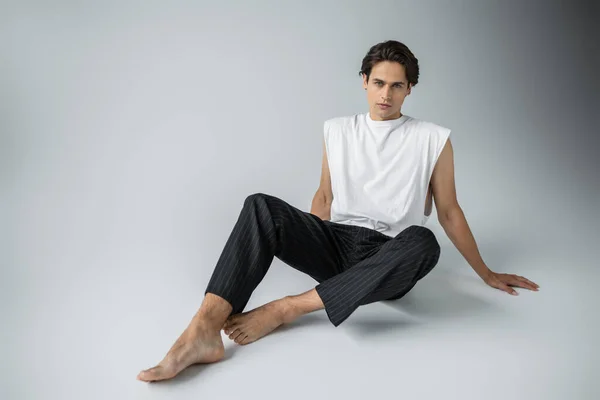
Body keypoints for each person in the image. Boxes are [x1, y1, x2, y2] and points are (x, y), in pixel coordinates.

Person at [137, 40, 539, 383]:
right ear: (364, 81)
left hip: (389, 256)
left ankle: (287, 308)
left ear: (410, 89)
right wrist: (311, 241)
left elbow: (449, 211)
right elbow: (325, 197)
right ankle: (203, 330)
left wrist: (485, 273)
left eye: (397, 86)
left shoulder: (432, 139)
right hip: (336, 245)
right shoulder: (338, 130)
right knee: (260, 205)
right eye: (378, 83)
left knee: (424, 240)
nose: (386, 95)